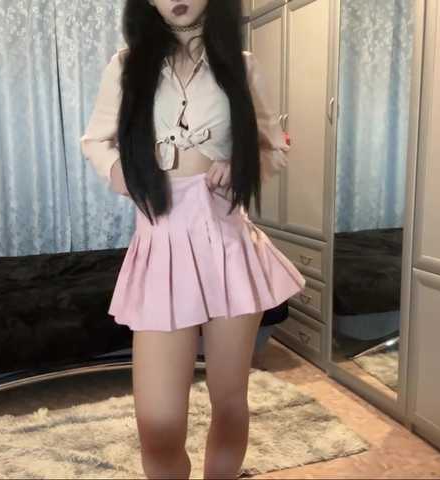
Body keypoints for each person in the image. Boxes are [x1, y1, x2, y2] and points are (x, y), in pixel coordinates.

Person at [80, 1, 306, 478]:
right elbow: (96, 141)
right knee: (157, 422)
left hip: (228, 244)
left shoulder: (241, 66)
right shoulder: (126, 65)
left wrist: (243, 165)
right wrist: (122, 173)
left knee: (230, 400)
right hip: (161, 243)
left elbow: (274, 146)